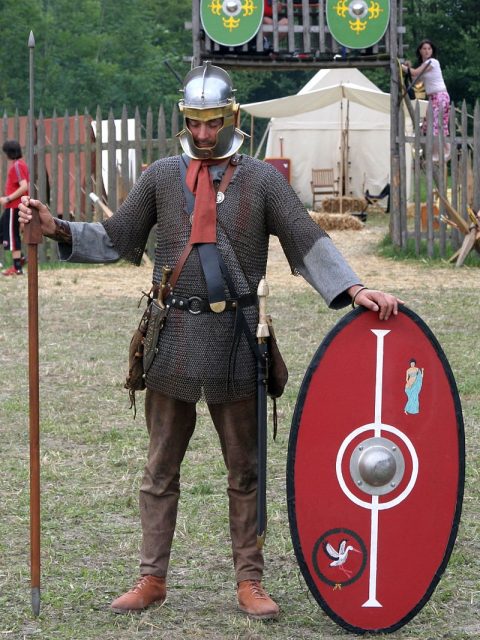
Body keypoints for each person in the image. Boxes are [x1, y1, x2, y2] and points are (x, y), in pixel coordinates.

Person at [19, 62, 402, 620]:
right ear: (186, 119)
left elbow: (306, 240)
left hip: (237, 341)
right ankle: (152, 578)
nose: (202, 134)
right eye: (194, 122)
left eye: (212, 122)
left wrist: (354, 286)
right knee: (159, 471)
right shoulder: (159, 177)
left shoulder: (262, 181)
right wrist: (57, 227)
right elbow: (117, 237)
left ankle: (250, 580)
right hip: (171, 336)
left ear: (232, 115)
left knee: (244, 470)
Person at [401, 39, 451, 161]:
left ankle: (436, 154)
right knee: (431, 124)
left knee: (434, 125)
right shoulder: (425, 66)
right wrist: (408, 68)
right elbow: (416, 78)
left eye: (429, 49)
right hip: (434, 97)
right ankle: (447, 150)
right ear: (420, 51)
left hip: (440, 96)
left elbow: (414, 72)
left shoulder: (432, 62)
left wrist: (399, 65)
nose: (427, 51)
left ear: (432, 51)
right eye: (424, 49)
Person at [1, 140, 29, 275]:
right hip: (10, 207)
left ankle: (17, 268)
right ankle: (21, 258)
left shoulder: (17, 166)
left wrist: (8, 198)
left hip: (13, 206)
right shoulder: (18, 165)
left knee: (13, 236)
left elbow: (24, 186)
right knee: (3, 232)